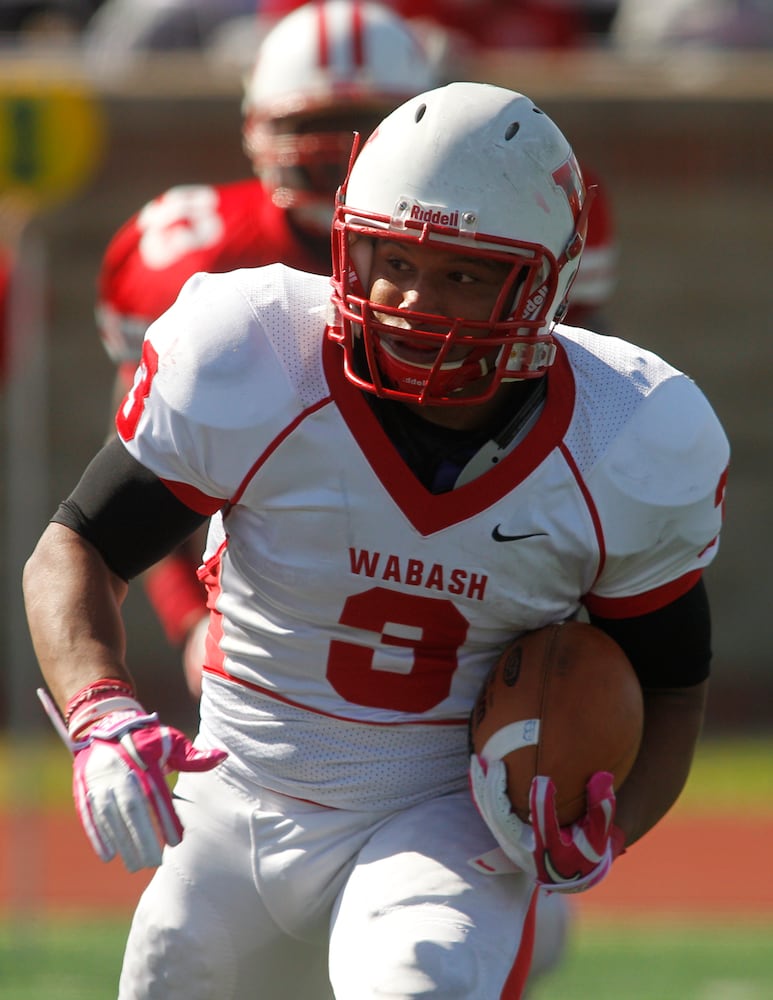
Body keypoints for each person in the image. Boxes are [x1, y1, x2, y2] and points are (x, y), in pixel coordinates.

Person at [24, 81, 729, 999]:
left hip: (442, 815)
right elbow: (75, 545)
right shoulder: (257, 351)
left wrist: (605, 828)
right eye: (390, 258)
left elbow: (672, 686)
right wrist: (101, 711)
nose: (409, 301)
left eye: (463, 274)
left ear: (545, 282)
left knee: (416, 980)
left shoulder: (625, 433)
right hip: (240, 787)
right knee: (172, 974)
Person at [95, 0, 439, 697]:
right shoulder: (189, 252)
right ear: (257, 128)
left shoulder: (488, 245)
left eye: (366, 124)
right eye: (308, 125)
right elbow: (146, 456)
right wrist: (189, 619)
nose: (338, 150)